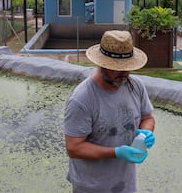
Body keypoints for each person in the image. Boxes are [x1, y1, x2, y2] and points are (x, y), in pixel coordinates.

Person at [63, 30, 156, 193]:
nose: (125, 73)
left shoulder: (136, 86)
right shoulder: (82, 99)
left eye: (128, 67)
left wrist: (146, 133)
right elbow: (74, 148)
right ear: (102, 64)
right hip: (92, 186)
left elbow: (147, 117)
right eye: (117, 69)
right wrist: (117, 152)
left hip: (125, 184)